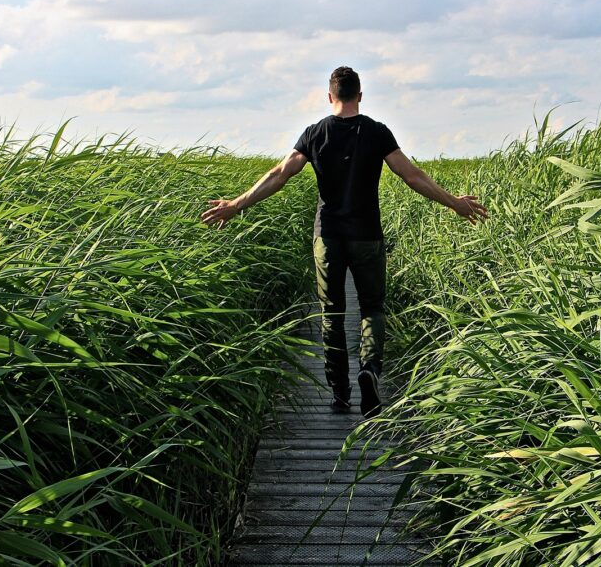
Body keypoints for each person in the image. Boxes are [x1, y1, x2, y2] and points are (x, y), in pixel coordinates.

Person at [201, 66, 488, 417]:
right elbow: (412, 176)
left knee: (332, 314)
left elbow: (279, 175)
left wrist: (234, 205)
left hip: (329, 237)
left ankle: (339, 392)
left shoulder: (315, 133)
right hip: (367, 235)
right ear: (361, 96)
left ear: (329, 96)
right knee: (371, 308)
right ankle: (369, 370)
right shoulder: (377, 132)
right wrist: (455, 203)